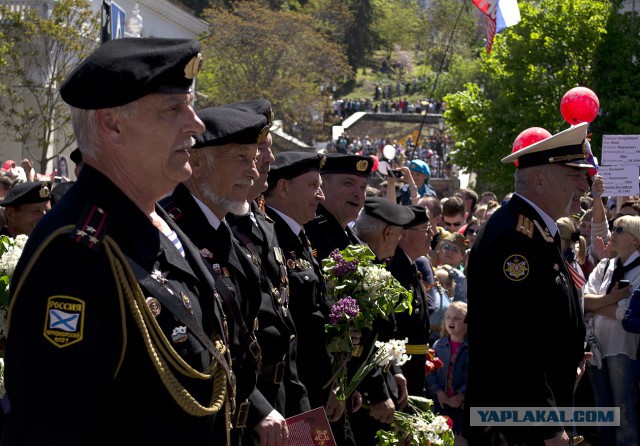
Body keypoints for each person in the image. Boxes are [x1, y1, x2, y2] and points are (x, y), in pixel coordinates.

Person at [1, 38, 234, 445]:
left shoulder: (153, 218)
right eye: (172, 109)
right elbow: (50, 429)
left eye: (191, 105)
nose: (196, 123)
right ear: (112, 125)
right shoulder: (76, 253)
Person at [160, 105, 299, 445]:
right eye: (240, 158)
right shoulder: (175, 231)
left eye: (254, 159)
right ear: (197, 163)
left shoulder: (221, 229)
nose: (253, 173)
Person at [465, 123, 592, 445]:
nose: (585, 183)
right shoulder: (515, 237)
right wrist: (548, 424)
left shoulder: (535, 230)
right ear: (539, 180)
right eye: (574, 175)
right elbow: (515, 341)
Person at [263, 152, 350, 427]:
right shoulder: (269, 238)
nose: (321, 196)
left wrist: (333, 381)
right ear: (283, 187)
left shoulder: (299, 236)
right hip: (292, 393)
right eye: (313, 185)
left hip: (315, 388)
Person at [351, 197, 414, 444]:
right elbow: (362, 341)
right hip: (362, 397)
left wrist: (395, 370)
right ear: (388, 232)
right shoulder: (357, 270)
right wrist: (377, 392)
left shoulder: (376, 267)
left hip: (378, 384)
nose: (399, 242)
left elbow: (386, 333)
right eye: (398, 235)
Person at [583, 214, 640, 446]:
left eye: (620, 230)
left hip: (623, 348)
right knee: (603, 412)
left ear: (635, 240)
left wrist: (601, 303)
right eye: (614, 228)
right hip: (597, 348)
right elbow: (583, 300)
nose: (612, 234)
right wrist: (612, 299)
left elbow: (626, 313)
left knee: (623, 412)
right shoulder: (605, 265)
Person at [387, 205, 432, 396]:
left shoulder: (410, 266)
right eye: (425, 230)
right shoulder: (395, 269)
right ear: (403, 234)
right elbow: (390, 330)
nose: (432, 234)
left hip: (413, 368)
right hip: (401, 371)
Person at [304, 152, 373, 263]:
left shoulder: (351, 236)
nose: (358, 194)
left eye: (363, 187)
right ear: (322, 185)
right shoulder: (309, 231)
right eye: (348, 183)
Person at [426, 301, 468, 446]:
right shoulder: (438, 345)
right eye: (448, 317)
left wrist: (461, 395)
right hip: (442, 404)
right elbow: (430, 372)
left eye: (457, 318)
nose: (451, 321)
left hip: (462, 407)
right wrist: (438, 392)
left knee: (460, 440)